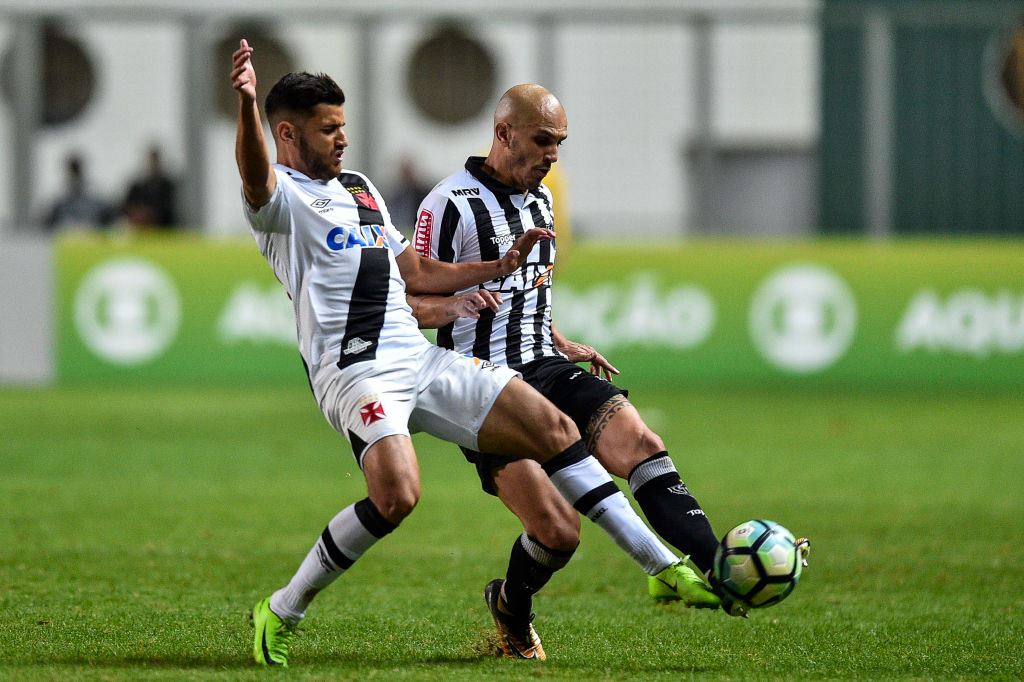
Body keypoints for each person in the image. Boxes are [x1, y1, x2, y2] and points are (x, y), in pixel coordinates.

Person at [230, 40, 716, 668]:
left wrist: (497, 266)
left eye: (345, 126)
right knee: (397, 496)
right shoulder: (279, 202)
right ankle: (284, 608)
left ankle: (661, 567)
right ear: (287, 134)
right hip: (353, 369)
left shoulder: (362, 189)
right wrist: (245, 105)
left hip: (416, 357)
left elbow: (420, 274)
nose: (343, 139)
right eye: (329, 129)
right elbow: (252, 172)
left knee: (554, 426)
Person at [412, 84, 790, 649]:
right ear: (503, 133)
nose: (553, 155)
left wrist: (558, 339)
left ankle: (715, 564)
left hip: (545, 364)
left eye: (559, 143)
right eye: (542, 141)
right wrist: (450, 306)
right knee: (557, 533)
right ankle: (511, 606)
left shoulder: (541, 200)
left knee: (639, 441)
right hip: (483, 388)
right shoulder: (449, 204)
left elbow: (526, 291)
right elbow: (404, 301)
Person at [45, 154, 115, 231]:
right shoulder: (61, 198)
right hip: (69, 235)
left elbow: (107, 215)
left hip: (90, 233)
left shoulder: (94, 194)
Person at [122, 145, 179, 229]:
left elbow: (168, 211)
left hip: (160, 231)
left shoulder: (166, 186)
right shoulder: (137, 186)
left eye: (154, 161)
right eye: (150, 160)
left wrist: (150, 215)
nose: (152, 164)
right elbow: (126, 208)